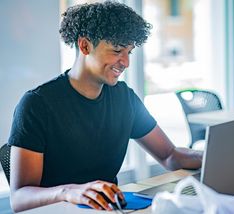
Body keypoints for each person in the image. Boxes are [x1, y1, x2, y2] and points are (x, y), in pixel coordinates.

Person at [8, 1, 202, 212]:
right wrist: (70, 192)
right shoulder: (37, 104)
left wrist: (211, 156)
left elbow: (169, 156)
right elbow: (19, 198)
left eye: (129, 52)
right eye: (117, 50)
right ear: (84, 46)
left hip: (111, 209)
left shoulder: (124, 98)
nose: (126, 62)